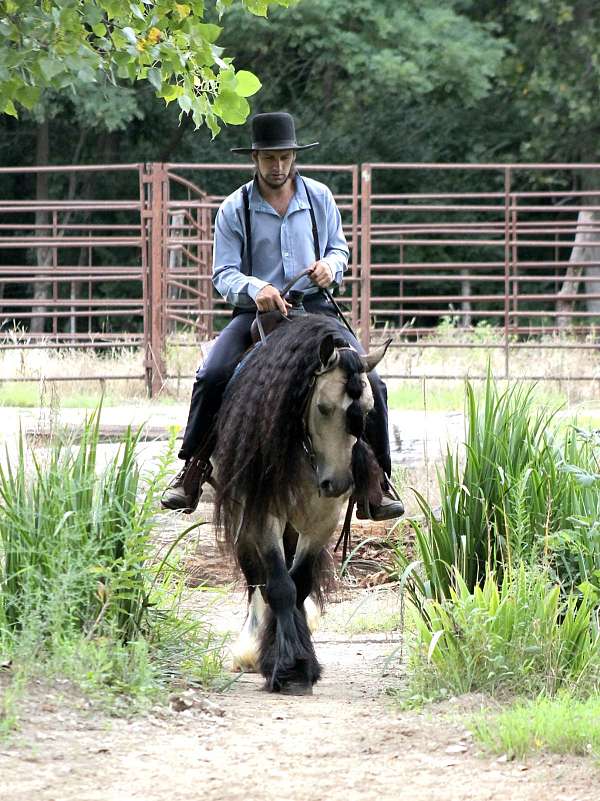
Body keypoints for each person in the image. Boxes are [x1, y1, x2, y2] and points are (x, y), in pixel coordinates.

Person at [161, 111, 403, 520]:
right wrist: (258, 288)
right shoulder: (234, 208)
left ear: (294, 156)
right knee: (214, 374)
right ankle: (193, 468)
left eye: (285, 157)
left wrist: (331, 265)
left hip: (317, 310)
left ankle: (376, 481)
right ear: (254, 158)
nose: (278, 166)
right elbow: (223, 274)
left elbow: (340, 249)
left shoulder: (319, 198)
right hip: (259, 315)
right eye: (269, 158)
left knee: (371, 382)